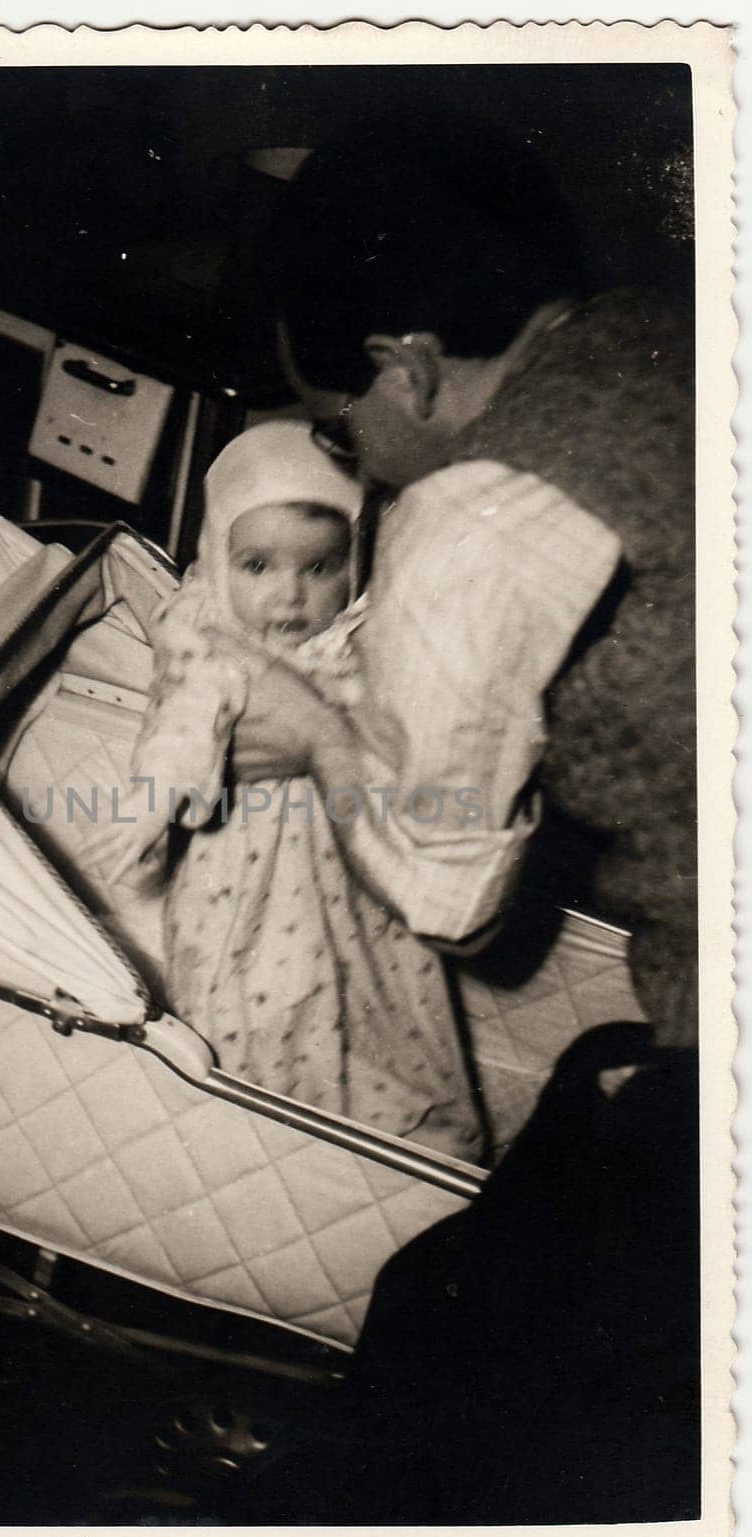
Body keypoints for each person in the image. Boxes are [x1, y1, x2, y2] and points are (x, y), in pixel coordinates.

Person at [234, 119, 696, 1054]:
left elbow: (457, 907)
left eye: (341, 430)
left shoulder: (469, 527)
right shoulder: (663, 322)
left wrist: (323, 738)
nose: (354, 470)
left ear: (409, 368)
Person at [105, 420, 485, 1156]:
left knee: (380, 995)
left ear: (355, 562)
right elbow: (185, 718)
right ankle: (260, 1135)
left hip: (353, 860)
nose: (289, 597)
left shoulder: (364, 632)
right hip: (245, 877)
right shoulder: (214, 641)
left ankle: (393, 1137)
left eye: (319, 568)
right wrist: (155, 794)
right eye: (257, 566)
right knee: (264, 997)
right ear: (217, 557)